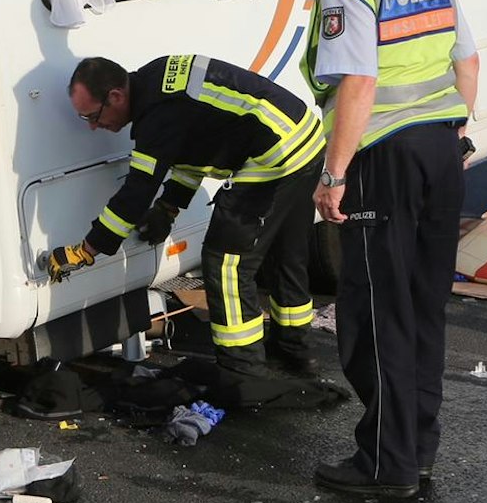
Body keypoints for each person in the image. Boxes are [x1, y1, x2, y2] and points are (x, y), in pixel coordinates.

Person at [292, 0, 478, 499]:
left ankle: (385, 464)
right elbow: (466, 55)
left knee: (374, 316)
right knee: (425, 309)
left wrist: (333, 174)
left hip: (383, 158)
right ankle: (417, 450)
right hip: (442, 149)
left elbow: (358, 81)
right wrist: (456, 132)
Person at [46, 55, 325, 378]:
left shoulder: (156, 118)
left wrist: (88, 250)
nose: (95, 127)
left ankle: (242, 369)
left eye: (92, 116)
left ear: (116, 97)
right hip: (304, 137)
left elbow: (136, 193)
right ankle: (295, 353)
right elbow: (193, 153)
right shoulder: (157, 77)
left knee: (226, 262)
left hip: (275, 154)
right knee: (285, 255)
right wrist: (169, 207)